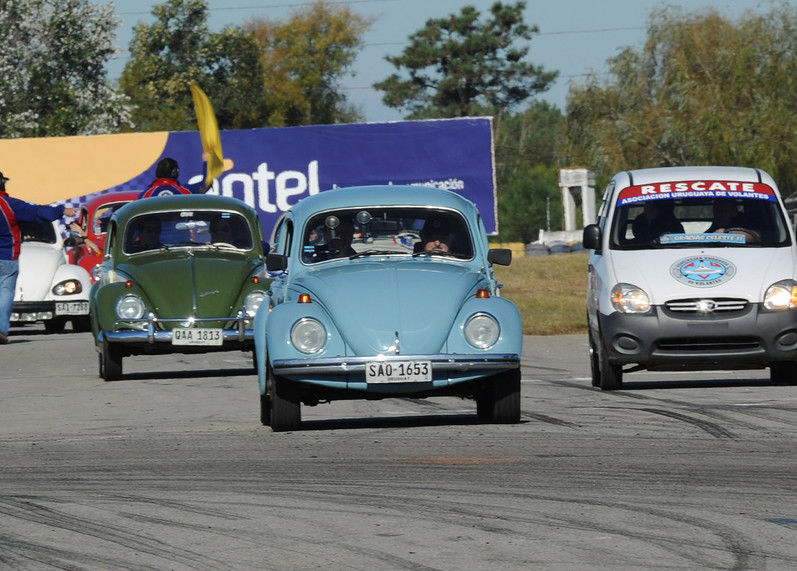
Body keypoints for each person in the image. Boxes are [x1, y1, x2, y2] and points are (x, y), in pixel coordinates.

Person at [0, 171, 77, 344]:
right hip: (7, 257)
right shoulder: (9, 205)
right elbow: (39, 213)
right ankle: (0, 329)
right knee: (5, 293)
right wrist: (62, 210)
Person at [138, 157, 204, 199]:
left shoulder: (145, 195)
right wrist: (208, 161)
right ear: (175, 172)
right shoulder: (184, 191)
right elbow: (205, 183)